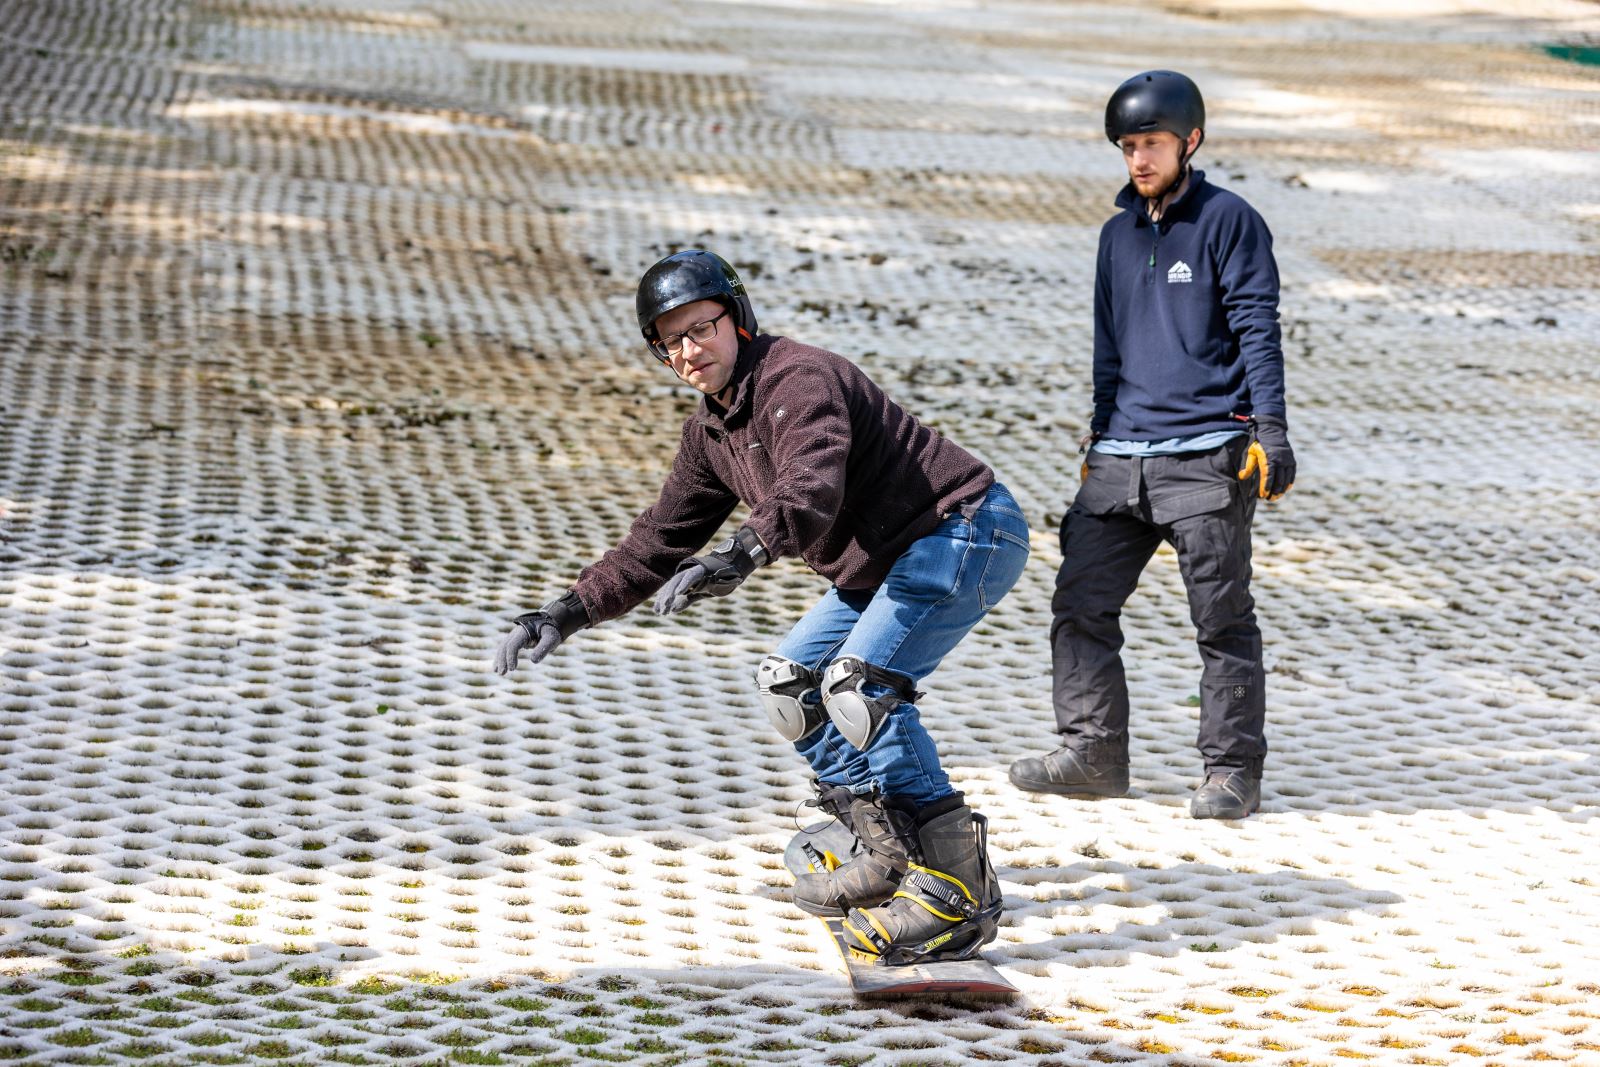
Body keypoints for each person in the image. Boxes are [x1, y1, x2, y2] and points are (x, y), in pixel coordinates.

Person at [495, 250, 1030, 963]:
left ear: (737, 319)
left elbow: (811, 482)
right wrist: (564, 612)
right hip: (885, 562)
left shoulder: (797, 378)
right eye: (670, 340)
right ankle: (888, 849)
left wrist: (744, 550)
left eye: (701, 327)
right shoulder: (711, 432)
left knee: (857, 685)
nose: (689, 350)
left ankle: (957, 894)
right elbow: (657, 538)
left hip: (962, 529)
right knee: (790, 683)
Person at [1009, 71, 1295, 820]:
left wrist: (1272, 431)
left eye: (1153, 144)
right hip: (1121, 458)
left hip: (1207, 456)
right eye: (1129, 146)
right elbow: (1109, 346)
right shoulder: (1116, 234)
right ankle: (1093, 753)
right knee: (1079, 606)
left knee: (1222, 620)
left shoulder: (1231, 221)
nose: (1139, 159)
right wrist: (1098, 432)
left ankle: (1232, 770)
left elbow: (1258, 329)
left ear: (1190, 141)